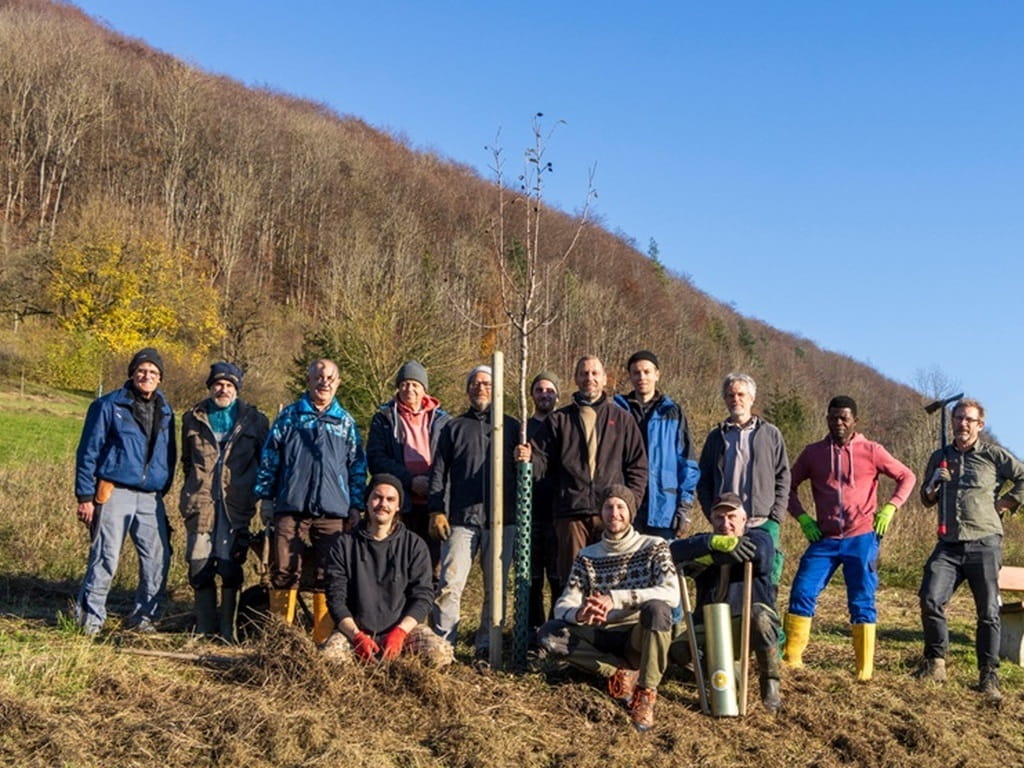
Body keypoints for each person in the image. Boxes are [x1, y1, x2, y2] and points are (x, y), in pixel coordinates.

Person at [783, 396, 915, 679]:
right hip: (824, 539)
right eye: (833, 418)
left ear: (855, 420)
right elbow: (786, 487)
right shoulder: (812, 453)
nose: (838, 423)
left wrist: (891, 507)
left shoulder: (872, 450)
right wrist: (803, 518)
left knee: (861, 600)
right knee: (802, 592)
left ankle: (864, 671)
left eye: (844, 418)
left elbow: (907, 476)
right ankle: (792, 661)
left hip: (862, 537)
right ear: (827, 419)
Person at [536, 485, 680, 732]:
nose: (615, 513)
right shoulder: (587, 556)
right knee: (550, 634)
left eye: (620, 507)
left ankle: (646, 692)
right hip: (601, 632)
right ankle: (618, 672)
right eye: (608, 507)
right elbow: (563, 604)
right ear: (601, 514)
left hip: (637, 633)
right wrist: (579, 613)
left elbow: (672, 593)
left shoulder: (655, 546)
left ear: (630, 513)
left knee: (658, 610)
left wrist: (616, 598)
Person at [913, 398, 1024, 702]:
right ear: (952, 422)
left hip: (984, 543)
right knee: (930, 598)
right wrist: (933, 485)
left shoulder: (993, 455)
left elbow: (1023, 477)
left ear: (979, 425)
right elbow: (926, 499)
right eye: (958, 418)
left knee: (988, 612)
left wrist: (1004, 503)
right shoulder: (940, 456)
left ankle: (988, 676)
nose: (962, 424)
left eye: (968, 419)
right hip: (948, 546)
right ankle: (935, 663)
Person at [254, 358, 366, 645]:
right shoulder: (289, 417)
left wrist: (356, 505)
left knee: (328, 573)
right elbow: (270, 459)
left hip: (333, 511)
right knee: (282, 570)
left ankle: (323, 640)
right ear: (309, 381)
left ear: (338, 383)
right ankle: (280, 639)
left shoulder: (346, 423)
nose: (323, 382)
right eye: (318, 376)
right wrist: (266, 497)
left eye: (329, 377)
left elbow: (357, 467)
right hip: (290, 507)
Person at [518, 355, 647, 585]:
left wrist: (630, 504)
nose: (590, 378)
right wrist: (528, 459)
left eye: (595, 373)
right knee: (574, 582)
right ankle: (576, 621)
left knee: (613, 583)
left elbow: (638, 466)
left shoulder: (623, 420)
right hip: (571, 516)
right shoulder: (558, 420)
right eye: (584, 373)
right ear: (576, 379)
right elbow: (541, 462)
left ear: (605, 379)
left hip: (611, 515)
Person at [73, 348, 175, 635]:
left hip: (151, 497)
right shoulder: (108, 406)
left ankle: (144, 619)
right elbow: (88, 452)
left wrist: (161, 487)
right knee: (105, 556)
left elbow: (170, 455)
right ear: (132, 373)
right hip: (114, 491)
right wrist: (85, 496)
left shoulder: (166, 411)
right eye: (142, 371)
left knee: (158, 559)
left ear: (160, 378)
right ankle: (90, 621)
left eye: (153, 373)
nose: (147, 376)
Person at [429, 365, 519, 659]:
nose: (481, 388)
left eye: (487, 384)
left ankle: (486, 648)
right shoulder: (453, 428)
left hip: (502, 521)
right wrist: (436, 510)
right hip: (460, 521)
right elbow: (438, 473)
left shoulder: (511, 427)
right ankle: (443, 647)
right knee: (449, 584)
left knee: (495, 589)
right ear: (468, 389)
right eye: (475, 383)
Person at [179, 362, 270, 643]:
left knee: (230, 568)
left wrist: (256, 495)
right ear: (210, 387)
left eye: (230, 385)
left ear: (237, 390)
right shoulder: (192, 418)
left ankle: (228, 632)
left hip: (236, 507)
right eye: (218, 384)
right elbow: (186, 462)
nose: (223, 389)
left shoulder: (255, 421)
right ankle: (205, 628)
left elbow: (264, 463)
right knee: (199, 566)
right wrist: (194, 489)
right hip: (201, 505)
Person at [321, 474, 453, 667]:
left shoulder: (414, 545)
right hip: (356, 632)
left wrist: (400, 632)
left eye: (390, 499)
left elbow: (423, 596)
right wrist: (357, 637)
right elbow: (335, 599)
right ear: (367, 501)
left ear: (398, 506)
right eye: (377, 497)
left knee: (440, 653)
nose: (383, 504)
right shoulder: (344, 545)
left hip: (403, 632)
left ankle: (401, 668)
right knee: (329, 660)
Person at [669, 492, 782, 713]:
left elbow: (761, 555)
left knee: (759, 617)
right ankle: (726, 675)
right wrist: (713, 544)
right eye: (719, 518)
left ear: (743, 519)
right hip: (710, 623)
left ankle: (770, 684)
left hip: (746, 622)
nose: (725, 523)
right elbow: (674, 551)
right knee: (678, 650)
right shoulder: (704, 541)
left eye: (731, 517)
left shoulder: (760, 537)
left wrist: (710, 556)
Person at [697, 372, 789, 583]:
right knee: (727, 577)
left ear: (752, 398)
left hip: (762, 520)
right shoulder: (716, 436)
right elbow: (704, 480)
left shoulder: (770, 434)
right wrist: (712, 512)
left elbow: (783, 476)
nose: (735, 400)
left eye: (740, 394)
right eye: (730, 395)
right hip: (726, 523)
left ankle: (765, 615)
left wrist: (776, 516)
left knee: (766, 576)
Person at [366, 360, 450, 584]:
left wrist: (431, 484)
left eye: (415, 384)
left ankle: (428, 616)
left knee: (433, 567)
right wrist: (410, 480)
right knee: (395, 565)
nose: (409, 389)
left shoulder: (443, 421)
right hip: (397, 505)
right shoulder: (384, 418)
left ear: (424, 389)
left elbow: (449, 461)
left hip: (434, 506)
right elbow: (376, 458)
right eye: (404, 384)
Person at [613, 350, 699, 539]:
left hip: (663, 509)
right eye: (636, 372)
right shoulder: (617, 410)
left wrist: (684, 507)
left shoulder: (672, 412)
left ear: (657, 374)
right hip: (624, 506)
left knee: (663, 566)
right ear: (630, 376)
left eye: (647, 372)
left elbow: (687, 464)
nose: (641, 377)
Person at [526, 372, 562, 633]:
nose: (544, 394)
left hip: (559, 512)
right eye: (539, 390)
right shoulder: (523, 429)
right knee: (531, 579)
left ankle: (555, 631)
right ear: (532, 395)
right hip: (529, 513)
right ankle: (532, 632)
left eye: (549, 390)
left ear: (557, 394)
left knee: (559, 578)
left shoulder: (565, 425)